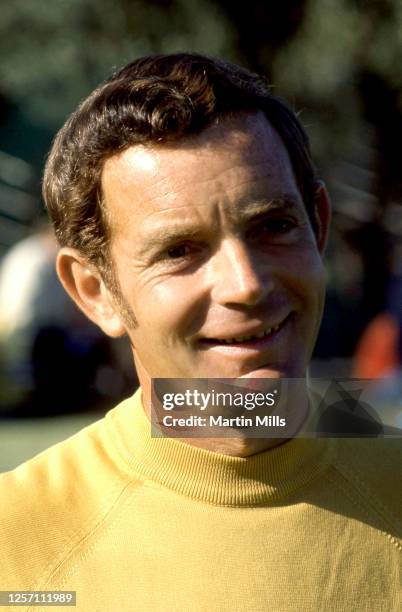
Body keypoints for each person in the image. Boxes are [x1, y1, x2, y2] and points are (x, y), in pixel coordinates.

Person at [0, 53, 401, 611]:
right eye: (180, 250)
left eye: (273, 226)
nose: (246, 284)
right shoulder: (15, 545)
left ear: (319, 227)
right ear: (96, 293)